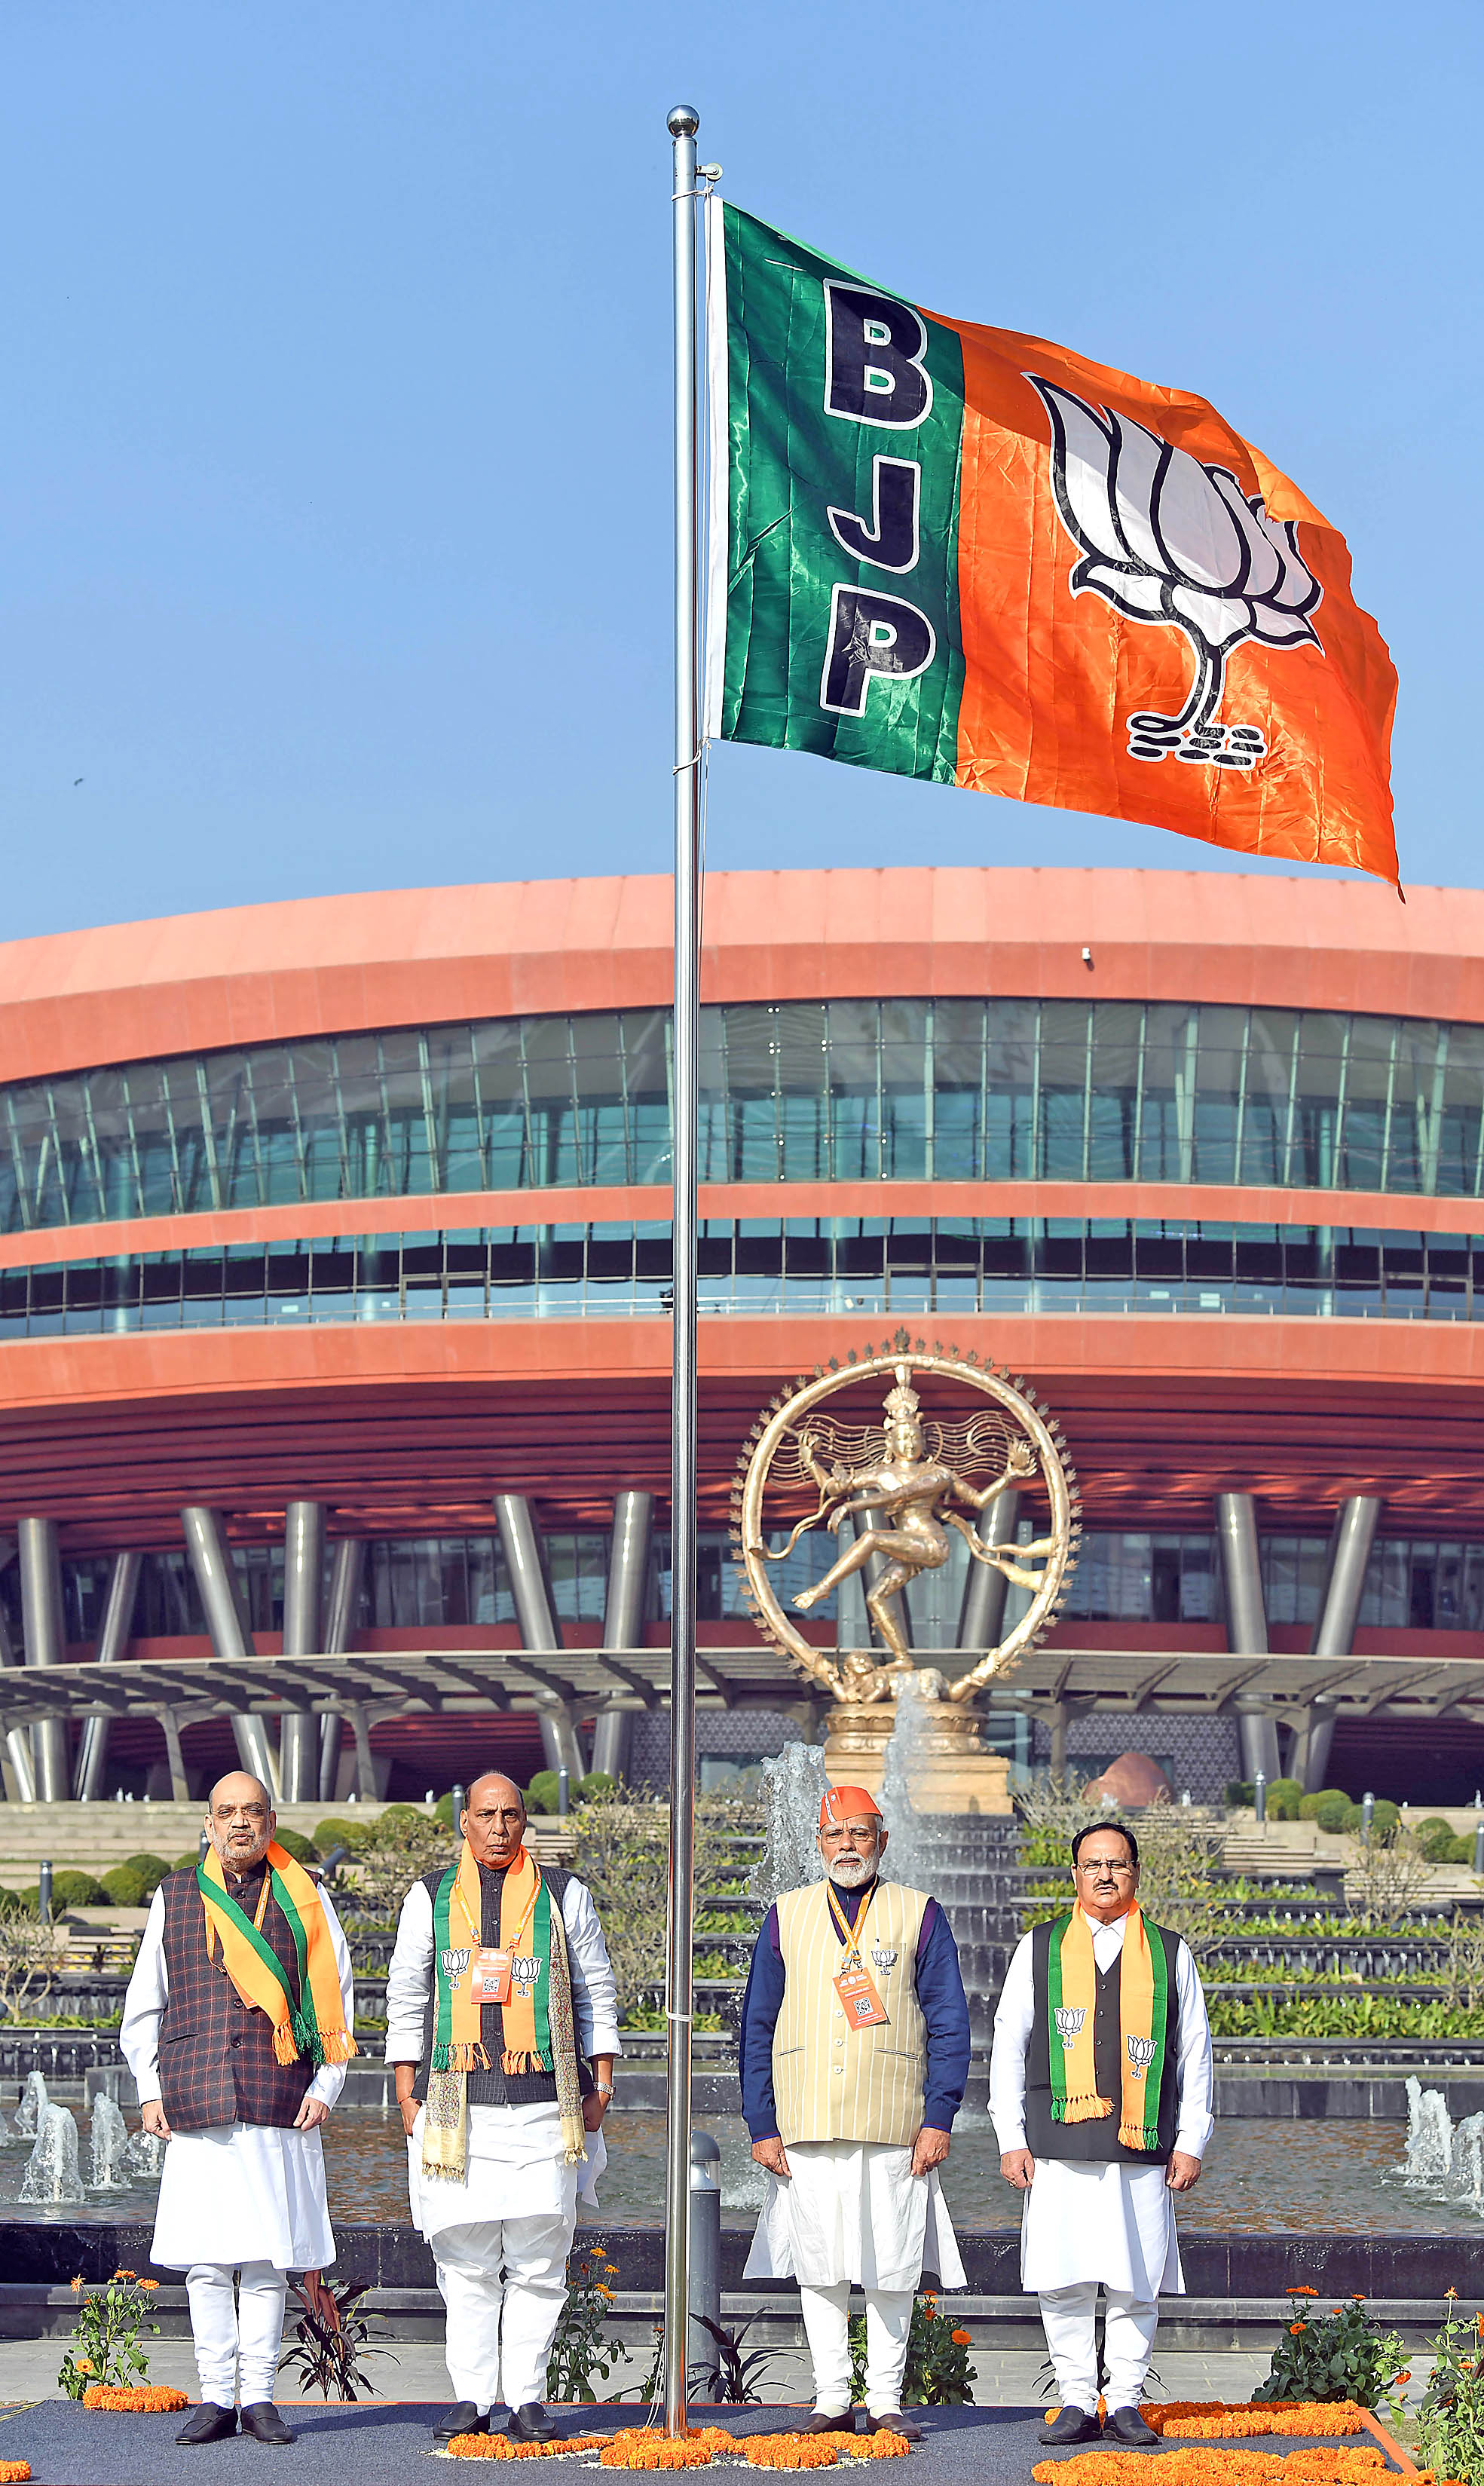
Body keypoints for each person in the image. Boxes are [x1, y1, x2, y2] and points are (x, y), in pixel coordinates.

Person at [121, 1769, 356, 2448]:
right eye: (227, 1813)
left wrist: (326, 2088)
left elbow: (335, 1999)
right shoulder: (174, 1895)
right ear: (208, 1823)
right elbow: (144, 2007)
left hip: (278, 2094)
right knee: (203, 2261)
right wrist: (148, 2088)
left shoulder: (307, 1898)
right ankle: (214, 2397)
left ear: (271, 1822)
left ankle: (258, 2397)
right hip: (194, 2093)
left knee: (263, 2260)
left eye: (253, 1811)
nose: (240, 1824)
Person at [384, 1769, 621, 2445]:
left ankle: (526, 2399)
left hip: (544, 2102)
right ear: (464, 1822)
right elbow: (405, 1995)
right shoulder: (428, 1896)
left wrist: (600, 2085)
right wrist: (405, 2091)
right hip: (455, 2104)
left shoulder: (564, 1894)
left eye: (510, 1816)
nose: (498, 1828)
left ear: (525, 1824)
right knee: (463, 2260)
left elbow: (596, 1989)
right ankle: (470, 2398)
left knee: (540, 2263)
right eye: (485, 1816)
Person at [739, 1783, 971, 2441]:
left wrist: (939, 2116)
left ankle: (886, 2401)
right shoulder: (785, 1914)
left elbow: (950, 2023)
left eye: (859, 1833)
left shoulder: (919, 1913)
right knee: (820, 2267)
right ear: (817, 1843)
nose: (847, 1845)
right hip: (806, 2120)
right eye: (835, 1834)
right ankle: (831, 2397)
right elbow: (756, 2026)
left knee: (893, 2266)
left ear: (882, 1841)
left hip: (894, 2122)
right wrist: (762, 2123)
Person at [989, 1819, 1214, 2449]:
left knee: (1134, 2281)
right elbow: (1009, 2044)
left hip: (1141, 2143)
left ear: (1135, 1873)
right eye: (1092, 1865)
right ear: (1074, 1875)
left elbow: (1194, 2053)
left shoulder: (1170, 1951)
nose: (1105, 1876)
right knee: (1062, 2278)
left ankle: (1124, 2401)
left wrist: (1191, 2139)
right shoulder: (1039, 1947)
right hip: (1057, 2141)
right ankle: (1072, 2400)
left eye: (1116, 1865)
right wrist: (1010, 2135)